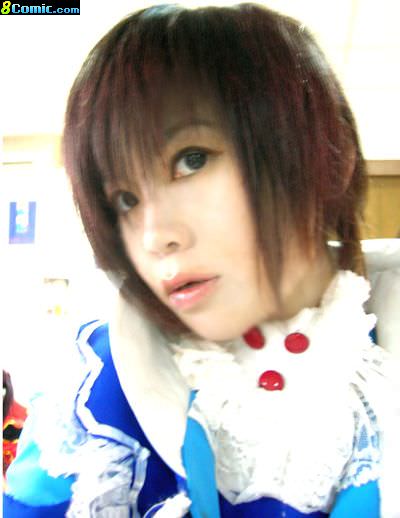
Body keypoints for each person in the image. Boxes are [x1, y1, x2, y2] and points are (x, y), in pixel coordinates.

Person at [4, 3, 400, 517]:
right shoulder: (92, 398)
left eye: (192, 160)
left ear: (331, 156)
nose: (153, 236)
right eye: (124, 199)